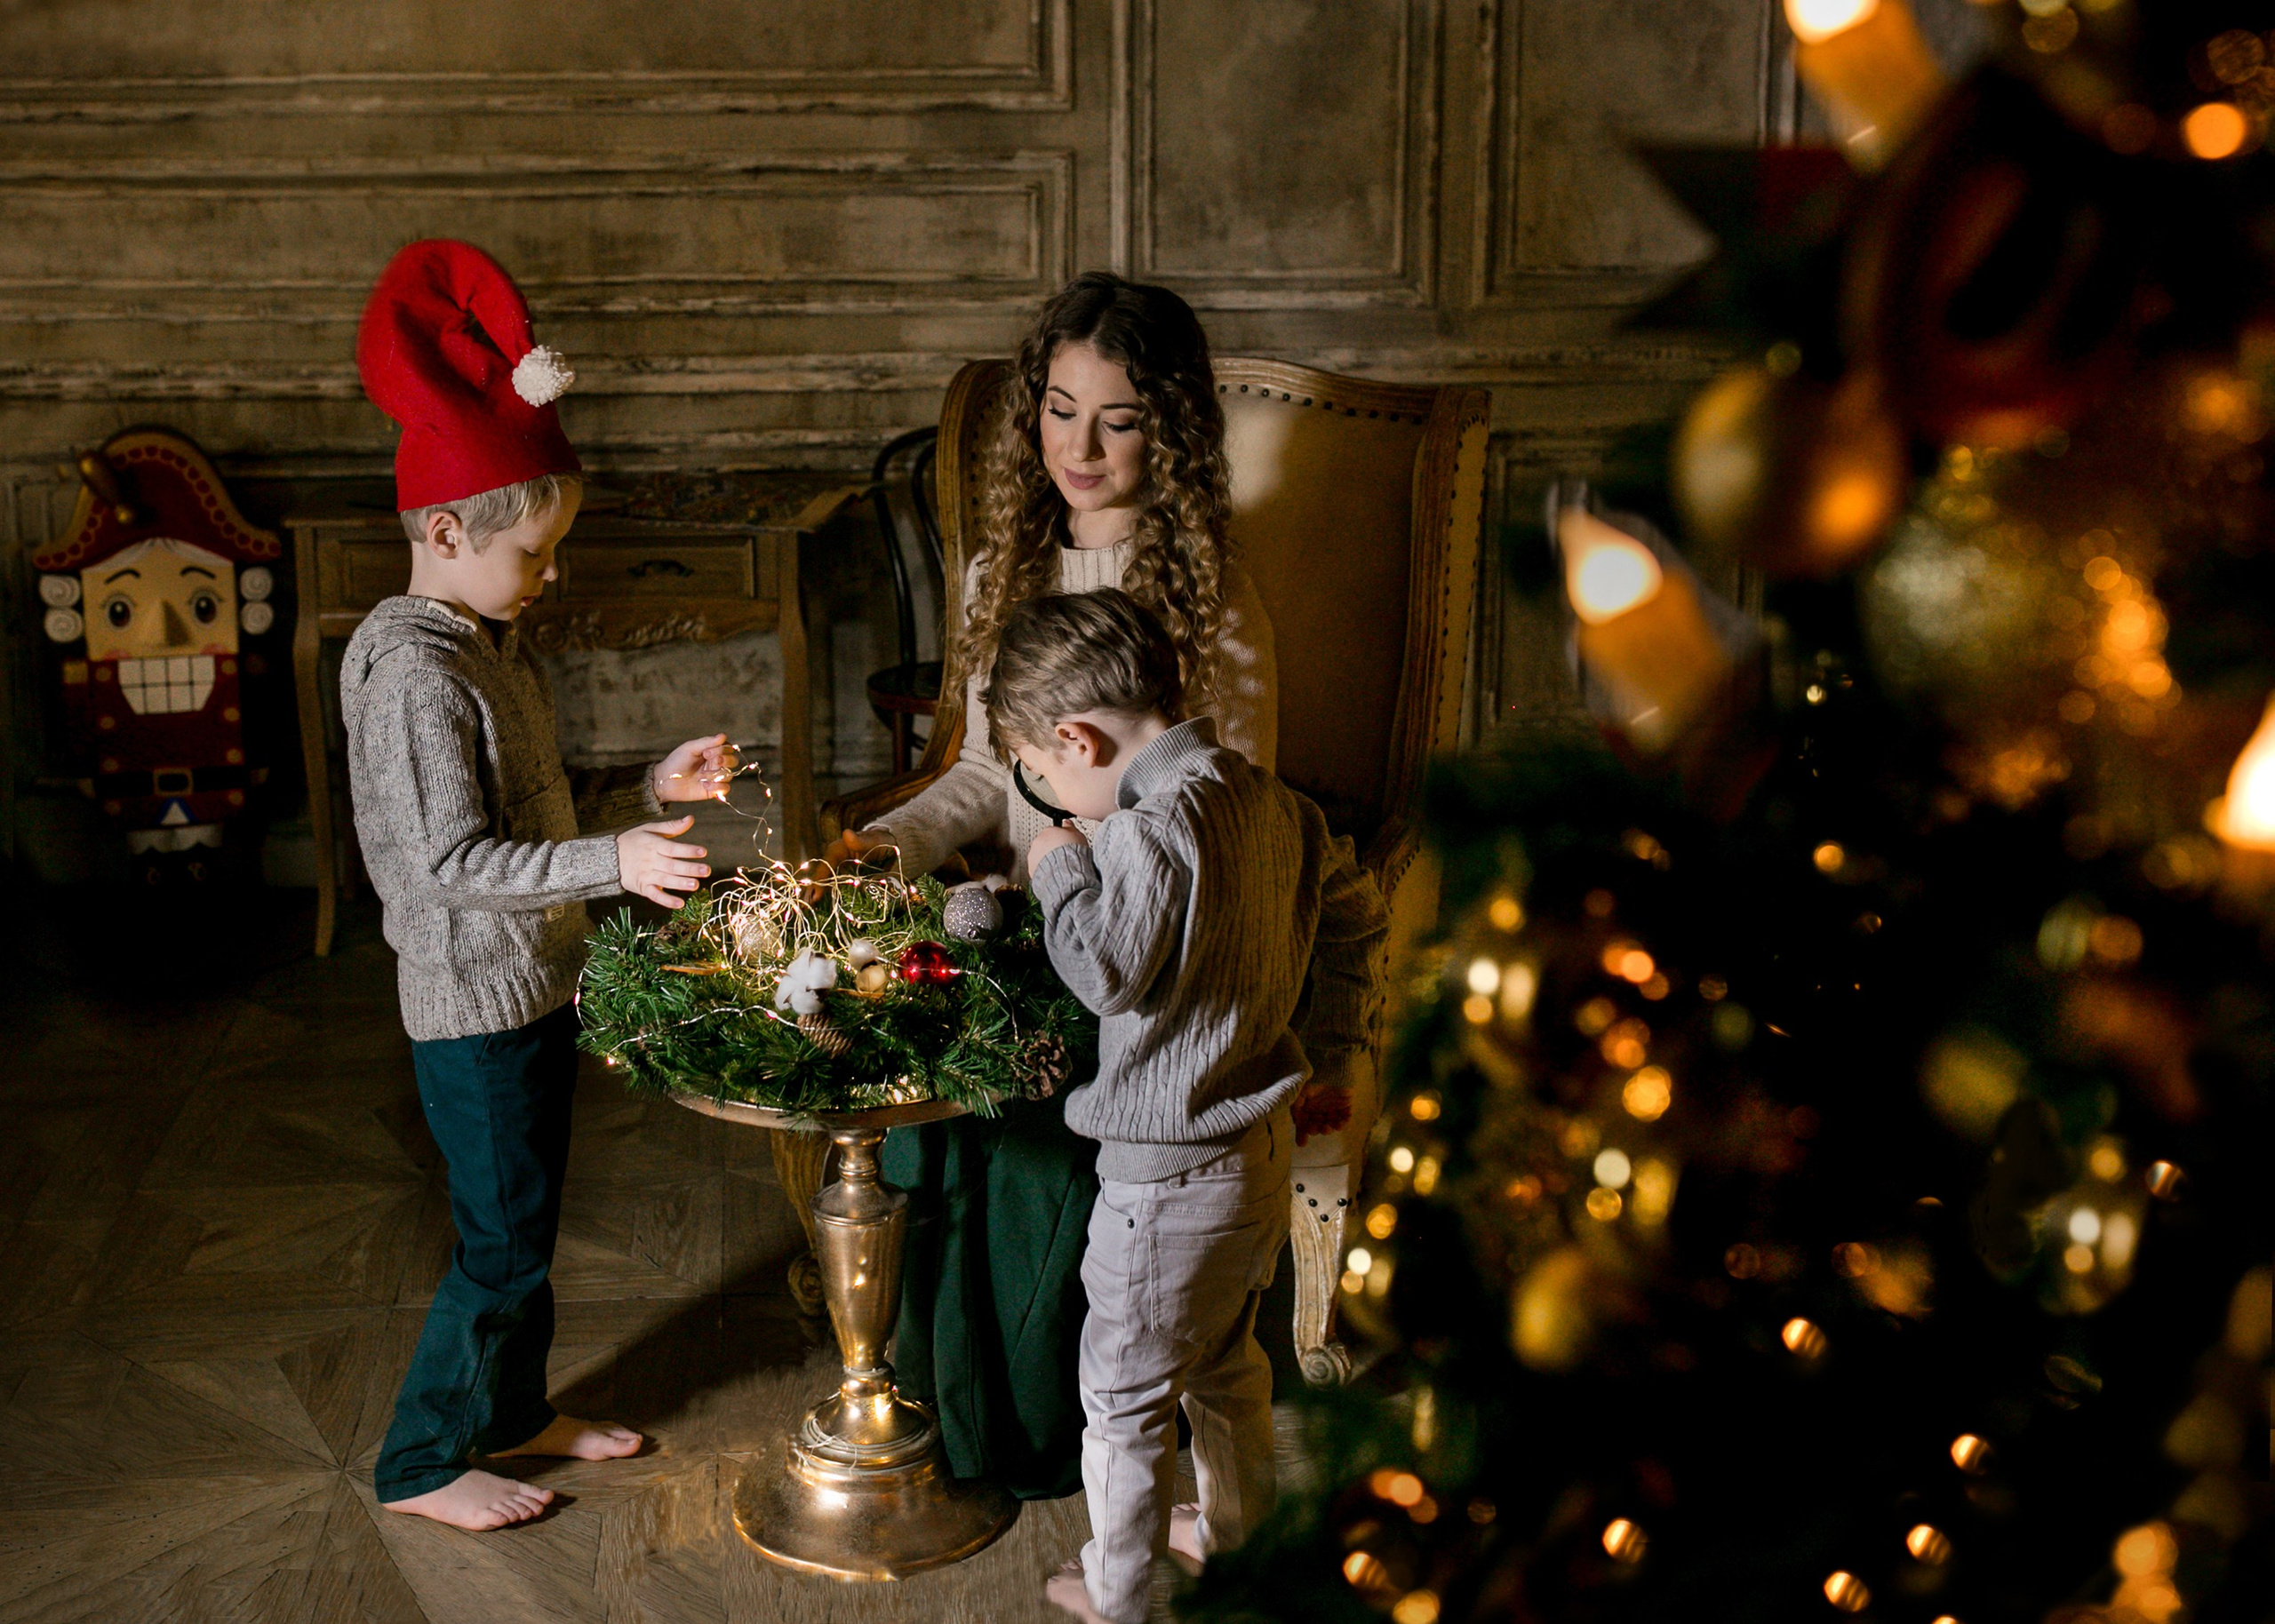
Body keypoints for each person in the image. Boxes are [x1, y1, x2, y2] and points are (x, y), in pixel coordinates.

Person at [819, 272, 1278, 1501]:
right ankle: (932, 1406)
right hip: (1024, 924)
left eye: (1117, 420)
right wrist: (894, 848)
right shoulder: (1004, 573)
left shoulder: (1213, 604)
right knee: (915, 1097)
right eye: (1058, 410)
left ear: (1169, 432)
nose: (1078, 448)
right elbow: (982, 774)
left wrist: (1085, 888)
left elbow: (1236, 817)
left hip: (1143, 964)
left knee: (1024, 1151)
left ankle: (1040, 1439)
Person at [342, 239, 733, 1531]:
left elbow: (524, 817)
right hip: (474, 1005)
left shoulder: (483, 641)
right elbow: (449, 868)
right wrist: (617, 862)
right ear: (447, 531)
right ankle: (421, 1463)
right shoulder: (414, 676)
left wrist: (646, 797)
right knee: (497, 1244)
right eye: (535, 553)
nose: (549, 575)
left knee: (530, 1225)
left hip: (533, 986)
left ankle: (512, 1413)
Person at [983, 589, 1387, 1624]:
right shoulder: (1269, 798)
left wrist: (1060, 867)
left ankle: (1119, 1601)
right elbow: (1356, 917)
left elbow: (1107, 970)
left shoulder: (1142, 832)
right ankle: (1240, 1550)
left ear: (1073, 738)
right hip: (1255, 1151)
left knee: (1120, 1406)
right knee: (1224, 1366)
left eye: (1041, 774)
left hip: (1162, 1181)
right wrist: (1331, 1037)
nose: (1054, 802)